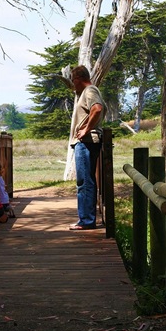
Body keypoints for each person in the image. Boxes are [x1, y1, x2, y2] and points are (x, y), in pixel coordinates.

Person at [68, 65, 106, 230]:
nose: (72, 85)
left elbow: (97, 109)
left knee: (84, 181)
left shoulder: (90, 91)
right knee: (87, 180)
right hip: (86, 142)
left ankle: (86, 220)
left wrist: (86, 129)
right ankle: (87, 219)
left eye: (72, 81)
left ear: (78, 79)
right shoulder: (88, 92)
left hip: (86, 142)